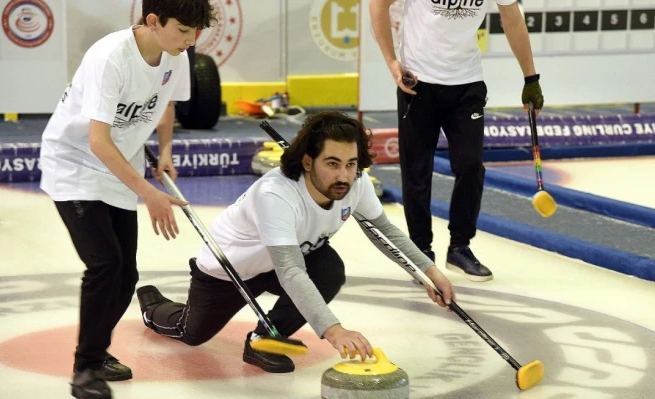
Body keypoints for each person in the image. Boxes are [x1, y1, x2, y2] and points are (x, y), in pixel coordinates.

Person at [136, 111, 456, 374]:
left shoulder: (354, 183)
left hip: (284, 262)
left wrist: (428, 272)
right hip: (230, 269)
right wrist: (334, 329)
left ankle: (264, 340)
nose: (344, 175)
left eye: (351, 164)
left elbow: (384, 231)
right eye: (332, 163)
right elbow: (290, 271)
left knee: (328, 268)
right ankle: (153, 304)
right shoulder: (276, 194)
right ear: (307, 162)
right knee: (192, 334)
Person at [38, 1, 216, 397]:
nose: (190, 41)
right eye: (184, 31)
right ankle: (85, 369)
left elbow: (165, 102)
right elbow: (98, 141)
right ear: (153, 21)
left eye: (195, 33)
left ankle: (96, 353)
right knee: (105, 263)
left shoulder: (177, 53)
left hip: (122, 166)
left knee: (126, 274)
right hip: (76, 165)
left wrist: (165, 151)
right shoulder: (110, 57)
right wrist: (148, 193)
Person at [370, 0, 545, 281]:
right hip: (417, 82)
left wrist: (530, 78)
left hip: (467, 81)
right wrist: (392, 62)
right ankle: (420, 251)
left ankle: (460, 247)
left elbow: (512, 19)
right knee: (417, 170)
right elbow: (378, 4)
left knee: (471, 165)